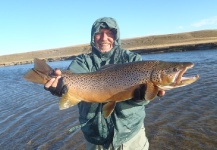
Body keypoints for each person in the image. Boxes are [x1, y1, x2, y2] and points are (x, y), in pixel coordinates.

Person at [44, 17, 165, 150]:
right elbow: (71, 78)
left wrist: (141, 98)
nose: (104, 38)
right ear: (92, 37)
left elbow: (145, 100)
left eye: (110, 33)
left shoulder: (132, 59)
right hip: (96, 139)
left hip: (130, 136)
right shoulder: (82, 62)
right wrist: (59, 87)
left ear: (116, 36)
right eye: (99, 33)